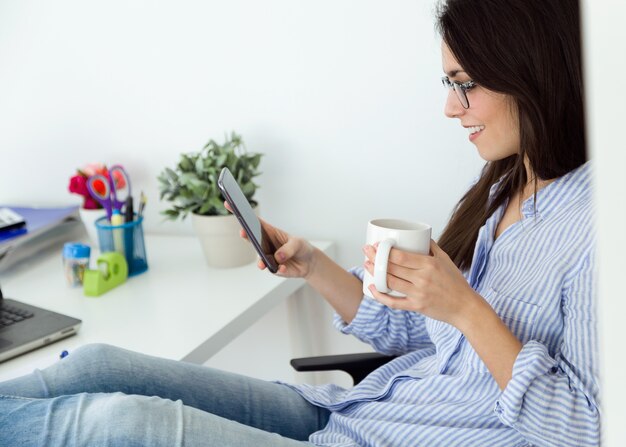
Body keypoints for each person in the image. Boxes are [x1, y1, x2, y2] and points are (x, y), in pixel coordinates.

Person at [0, 0, 598, 445]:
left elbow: (583, 430)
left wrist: (467, 308)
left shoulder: (597, 232)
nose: (449, 106)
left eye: (465, 85)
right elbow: (433, 343)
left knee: (119, 427)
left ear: (535, 75)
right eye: (449, 83)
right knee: (98, 364)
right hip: (355, 414)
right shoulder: (506, 185)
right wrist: (314, 267)